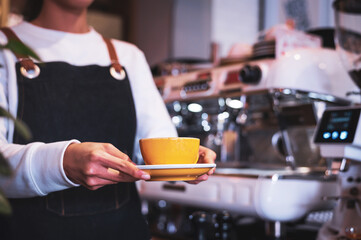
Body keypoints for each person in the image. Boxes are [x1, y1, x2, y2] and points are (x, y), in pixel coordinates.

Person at [0, 0, 216, 239]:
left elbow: (157, 143)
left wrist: (184, 162)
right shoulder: (4, 47)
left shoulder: (128, 57)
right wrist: (63, 162)